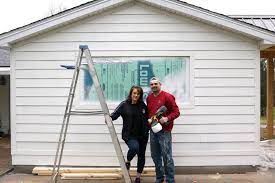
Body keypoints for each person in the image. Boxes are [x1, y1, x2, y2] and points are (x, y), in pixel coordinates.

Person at [110, 86, 149, 183]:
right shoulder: (124, 104)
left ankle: (138, 177)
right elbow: (114, 115)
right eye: (134, 93)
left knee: (141, 156)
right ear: (131, 94)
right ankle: (128, 161)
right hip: (129, 135)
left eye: (138, 94)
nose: (136, 95)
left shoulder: (143, 105)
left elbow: (147, 118)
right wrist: (109, 118)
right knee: (134, 148)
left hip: (143, 135)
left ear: (140, 95)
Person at [146, 77, 180, 183]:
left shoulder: (168, 97)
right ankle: (159, 178)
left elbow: (176, 112)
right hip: (154, 130)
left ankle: (170, 179)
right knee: (155, 155)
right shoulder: (149, 98)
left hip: (165, 131)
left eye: (156, 84)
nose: (154, 86)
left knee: (167, 156)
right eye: (151, 84)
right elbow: (150, 112)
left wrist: (167, 118)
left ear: (160, 84)